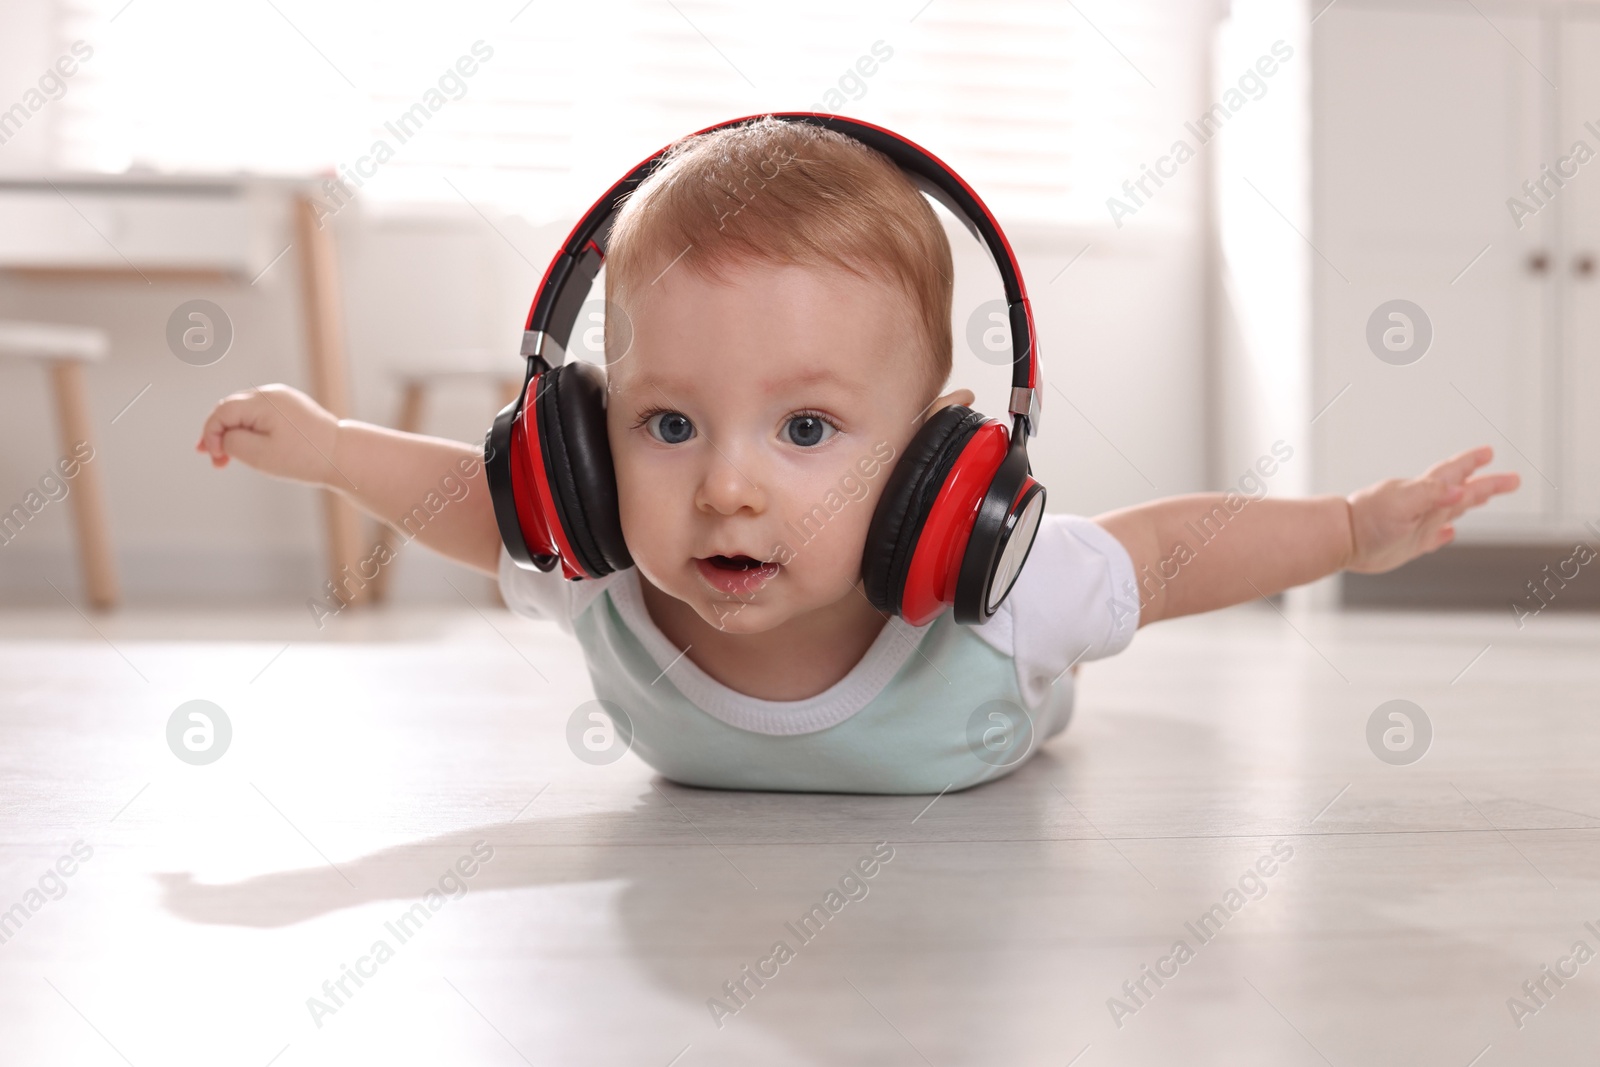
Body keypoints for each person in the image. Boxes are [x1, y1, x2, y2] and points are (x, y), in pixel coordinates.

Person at [195, 117, 1520, 794]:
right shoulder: (595, 572)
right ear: (583, 451)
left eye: (808, 430)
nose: (727, 484)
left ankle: (1064, 698)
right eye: (668, 425)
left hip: (1002, 719)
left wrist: (1352, 527)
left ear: (938, 471)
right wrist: (325, 447)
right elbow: (464, 501)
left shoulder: (1006, 601)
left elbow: (1169, 554)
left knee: (1075, 678)